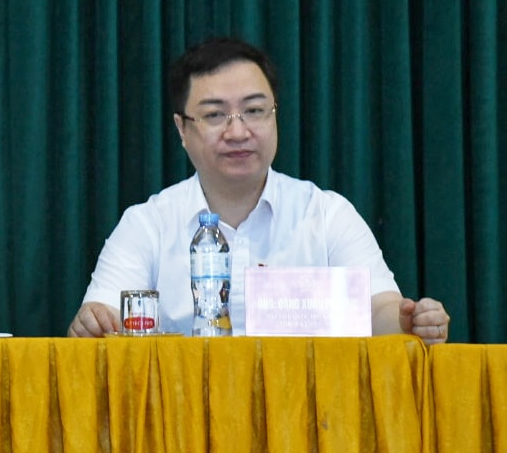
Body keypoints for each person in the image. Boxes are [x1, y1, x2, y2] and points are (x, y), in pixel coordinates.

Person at [69, 37, 450, 343]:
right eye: (215, 115)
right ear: (182, 129)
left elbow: (377, 311)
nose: (238, 132)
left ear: (275, 115)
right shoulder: (146, 224)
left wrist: (410, 321)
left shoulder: (326, 214)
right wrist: (93, 322)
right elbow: (103, 323)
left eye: (254, 111)